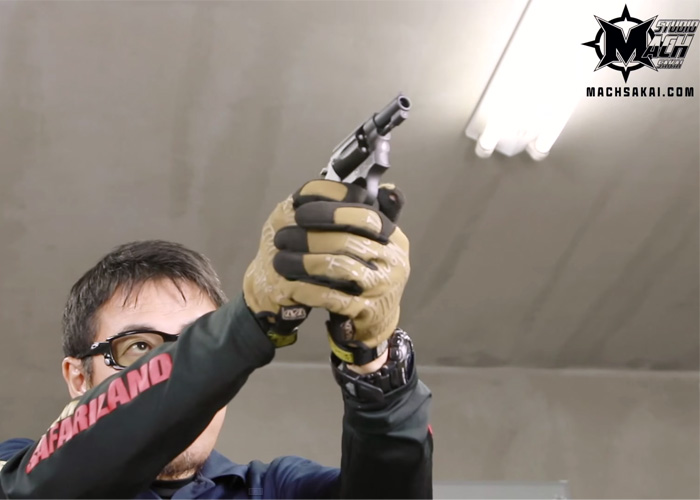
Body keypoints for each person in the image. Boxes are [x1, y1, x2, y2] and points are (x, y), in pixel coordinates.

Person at [0, 180, 433, 499]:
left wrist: (375, 367)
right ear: (79, 377)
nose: (186, 378)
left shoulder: (279, 489)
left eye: (195, 340)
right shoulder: (17, 473)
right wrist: (244, 325)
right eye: (139, 347)